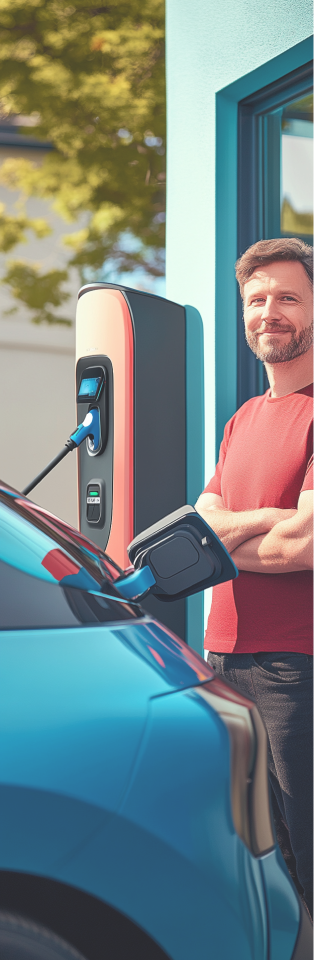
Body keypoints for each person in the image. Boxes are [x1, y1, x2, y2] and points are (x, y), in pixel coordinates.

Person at [196, 237, 314, 920]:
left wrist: (228, 532)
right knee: (253, 858)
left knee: (304, 849)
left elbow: (305, 544)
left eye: (287, 297)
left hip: (296, 670)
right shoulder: (242, 418)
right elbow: (197, 521)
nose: (269, 311)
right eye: (257, 299)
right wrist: (267, 517)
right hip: (223, 664)